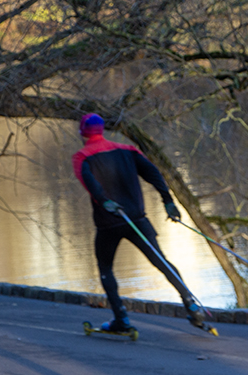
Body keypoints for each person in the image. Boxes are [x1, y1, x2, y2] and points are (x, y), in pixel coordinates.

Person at [72, 113, 204, 332]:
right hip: (136, 219)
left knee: (106, 267)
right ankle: (189, 302)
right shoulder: (127, 150)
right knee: (161, 261)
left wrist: (105, 202)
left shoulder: (82, 157)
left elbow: (90, 183)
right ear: (102, 130)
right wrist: (168, 200)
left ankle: (121, 318)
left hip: (109, 223)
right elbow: (153, 172)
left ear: (82, 134)